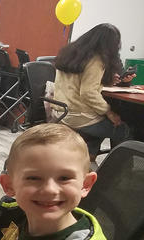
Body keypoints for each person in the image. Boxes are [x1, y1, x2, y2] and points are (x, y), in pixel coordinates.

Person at [54, 23, 133, 162]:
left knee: (102, 122)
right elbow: (87, 93)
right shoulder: (96, 59)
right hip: (79, 116)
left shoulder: (72, 52)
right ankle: (121, 170)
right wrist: (109, 111)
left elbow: (77, 84)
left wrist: (104, 82)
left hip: (62, 111)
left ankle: (89, 158)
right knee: (124, 130)